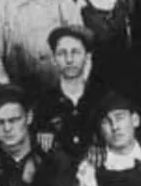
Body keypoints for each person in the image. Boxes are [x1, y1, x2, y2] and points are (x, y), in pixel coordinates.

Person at [32, 26, 106, 158]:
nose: (69, 59)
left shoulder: (102, 98)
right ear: (54, 59)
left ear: (87, 57)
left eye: (76, 52)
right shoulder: (43, 104)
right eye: (62, 53)